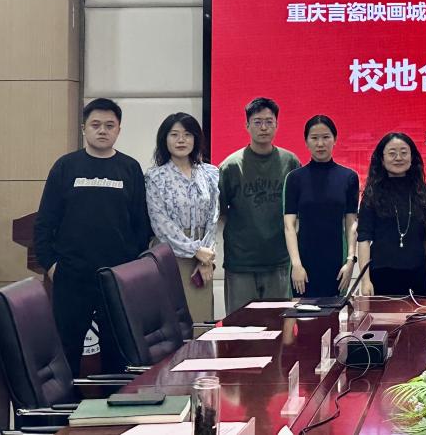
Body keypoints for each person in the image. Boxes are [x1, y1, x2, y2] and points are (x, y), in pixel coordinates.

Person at [34, 98, 152, 375]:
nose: (102, 131)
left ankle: (116, 404)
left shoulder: (130, 168)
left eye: (110, 125)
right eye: (95, 125)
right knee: (67, 351)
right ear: (84, 128)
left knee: (118, 353)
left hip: (116, 278)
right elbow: (45, 222)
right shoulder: (66, 167)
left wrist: (130, 268)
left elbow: (141, 225)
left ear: (119, 130)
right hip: (72, 276)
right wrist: (51, 265)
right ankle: (68, 403)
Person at [219, 97, 301, 313]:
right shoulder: (231, 166)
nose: (263, 127)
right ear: (247, 125)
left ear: (277, 124)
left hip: (279, 260)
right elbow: (220, 212)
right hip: (241, 262)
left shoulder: (290, 162)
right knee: (239, 326)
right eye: (257, 122)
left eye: (269, 121)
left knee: (278, 324)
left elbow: (297, 212)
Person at [145, 112, 220, 323]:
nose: (181, 140)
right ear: (164, 139)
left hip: (203, 257)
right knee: (172, 322)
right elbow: (160, 223)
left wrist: (206, 257)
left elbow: (213, 217)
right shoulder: (155, 177)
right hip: (169, 254)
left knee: (201, 320)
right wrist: (195, 250)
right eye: (174, 134)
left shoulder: (209, 173)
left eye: (187, 134)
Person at [283, 115, 360, 298]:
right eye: (314, 138)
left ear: (335, 139)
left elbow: (351, 223)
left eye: (326, 137)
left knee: (334, 313)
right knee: (302, 313)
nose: (320, 144)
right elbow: (289, 226)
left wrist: (350, 261)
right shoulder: (295, 178)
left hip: (336, 263)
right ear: (306, 141)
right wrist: (296, 265)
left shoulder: (349, 177)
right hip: (304, 264)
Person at [357, 132, 426, 296]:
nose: (398, 158)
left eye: (404, 152)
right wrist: (365, 280)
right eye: (392, 153)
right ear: (382, 160)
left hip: (417, 273)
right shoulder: (372, 194)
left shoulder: (420, 192)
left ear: (412, 157)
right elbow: (363, 239)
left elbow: (425, 238)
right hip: (381, 273)